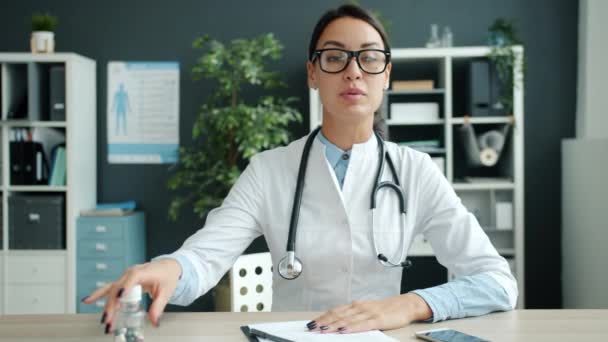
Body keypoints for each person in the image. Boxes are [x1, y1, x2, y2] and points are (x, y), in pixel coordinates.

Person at [84, 4, 517, 335]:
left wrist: (405, 305)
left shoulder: (417, 172)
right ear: (313, 73)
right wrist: (168, 269)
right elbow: (204, 258)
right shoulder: (269, 170)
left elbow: (498, 283)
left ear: (386, 75)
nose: (352, 72)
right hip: (293, 339)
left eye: (368, 58)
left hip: (380, 338)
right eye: (334, 58)